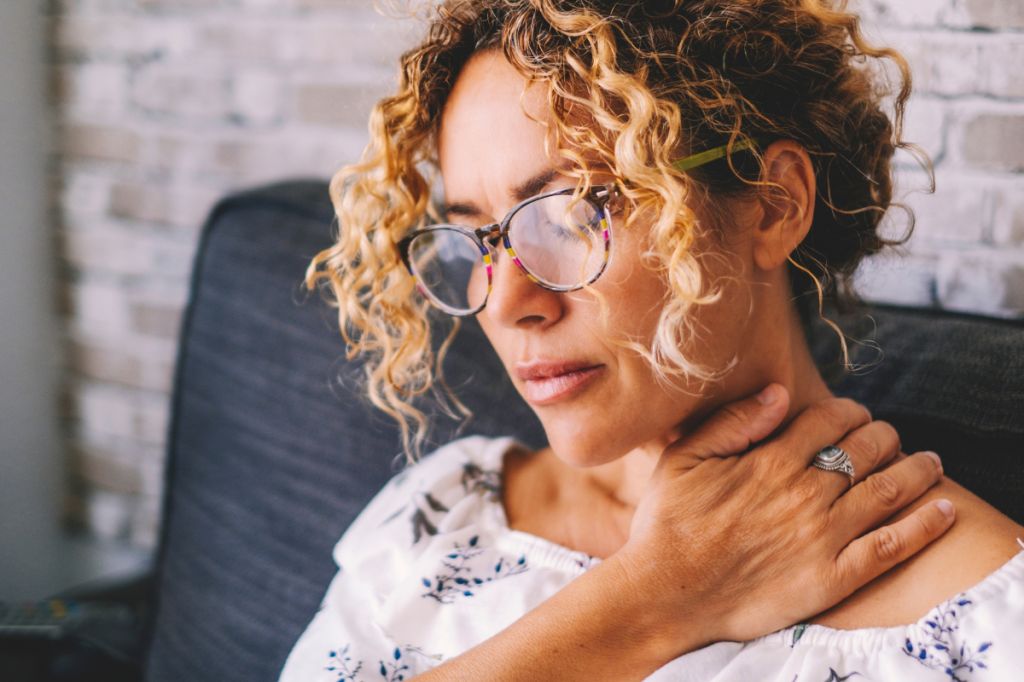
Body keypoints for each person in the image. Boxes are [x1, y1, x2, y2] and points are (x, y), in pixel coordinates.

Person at [280, 1, 1024, 679]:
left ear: (773, 204)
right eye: (477, 237)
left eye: (571, 215)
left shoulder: (981, 618)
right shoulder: (444, 515)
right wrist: (653, 598)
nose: (506, 302)